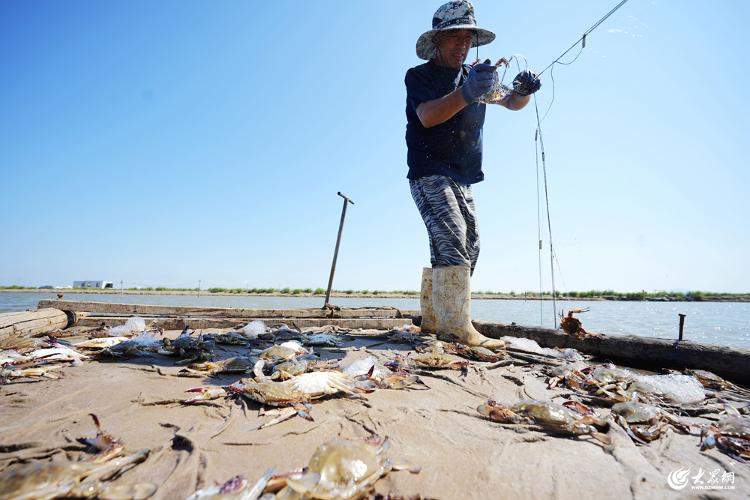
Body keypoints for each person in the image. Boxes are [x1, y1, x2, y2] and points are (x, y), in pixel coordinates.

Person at [405, 1, 541, 348]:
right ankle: (457, 328)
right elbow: (426, 116)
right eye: (454, 38)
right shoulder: (420, 76)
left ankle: (435, 321)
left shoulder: (475, 75)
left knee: (469, 244)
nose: (462, 46)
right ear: (437, 41)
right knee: (453, 241)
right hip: (429, 172)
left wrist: (523, 91)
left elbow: (510, 102)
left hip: (462, 176)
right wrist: (467, 94)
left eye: (468, 39)